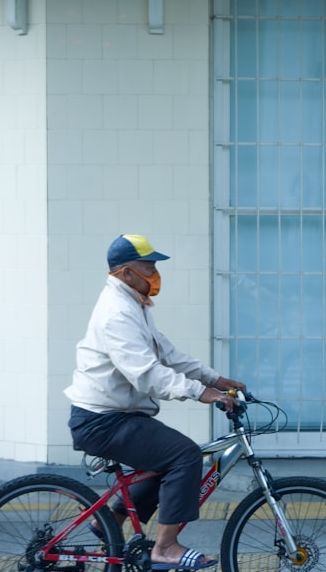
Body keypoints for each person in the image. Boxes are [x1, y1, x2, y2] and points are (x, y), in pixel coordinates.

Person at [65, 234, 245, 571]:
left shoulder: (134, 304)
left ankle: (108, 519)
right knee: (185, 455)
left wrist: (214, 379)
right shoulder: (116, 313)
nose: (154, 272)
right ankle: (166, 547)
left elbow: (168, 354)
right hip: (101, 420)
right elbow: (146, 374)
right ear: (126, 272)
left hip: (118, 414)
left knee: (166, 460)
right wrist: (202, 393)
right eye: (148, 266)